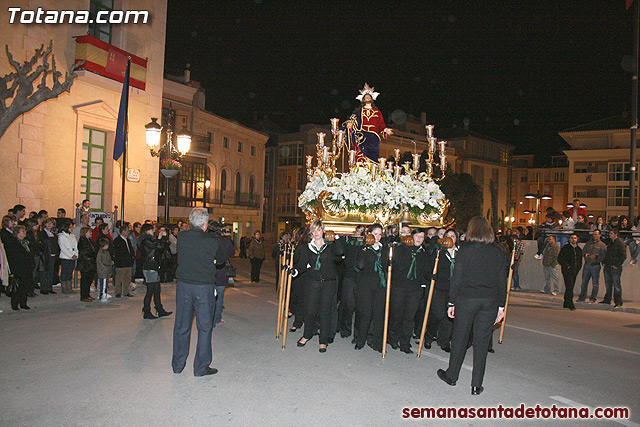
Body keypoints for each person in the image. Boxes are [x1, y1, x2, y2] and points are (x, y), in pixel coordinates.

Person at [436, 217, 507, 395]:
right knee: (481, 343)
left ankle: (452, 376)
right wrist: (501, 306)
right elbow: (501, 281)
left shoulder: (465, 250)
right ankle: (476, 384)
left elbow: (457, 278)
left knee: (460, 338)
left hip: (466, 299)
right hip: (489, 301)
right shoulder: (497, 252)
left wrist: (451, 301)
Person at [172, 208, 229, 377]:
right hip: (203, 287)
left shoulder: (182, 237)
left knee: (181, 326)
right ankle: (201, 367)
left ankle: (177, 364)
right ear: (205, 223)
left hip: (184, 286)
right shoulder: (211, 240)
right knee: (204, 327)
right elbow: (220, 260)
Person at [292, 220, 344, 353]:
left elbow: (340, 252)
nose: (316, 233)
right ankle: (306, 335)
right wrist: (294, 271)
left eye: (318, 230)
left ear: (323, 231)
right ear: (311, 233)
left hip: (329, 283)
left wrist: (336, 237)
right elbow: (302, 264)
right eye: (314, 230)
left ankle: (323, 340)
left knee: (325, 312)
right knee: (310, 310)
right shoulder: (307, 247)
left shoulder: (330, 246)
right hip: (312, 283)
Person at [388, 228, 429, 354]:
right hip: (399, 287)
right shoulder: (401, 249)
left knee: (409, 317)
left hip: (414, 290)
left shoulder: (423, 253)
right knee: (396, 314)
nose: (419, 239)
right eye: (417, 236)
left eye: (422, 237)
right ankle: (393, 338)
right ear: (412, 236)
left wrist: (431, 275)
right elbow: (395, 266)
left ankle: (405, 342)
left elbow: (425, 271)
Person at [354, 223, 387, 352]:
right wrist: (366, 247)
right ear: (369, 235)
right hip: (366, 285)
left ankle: (377, 342)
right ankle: (361, 340)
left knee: (379, 314)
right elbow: (360, 265)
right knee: (366, 314)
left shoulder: (385, 249)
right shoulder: (363, 249)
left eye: (379, 234)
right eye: (374, 234)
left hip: (380, 285)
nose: (377, 237)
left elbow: (389, 266)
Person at [424, 228, 458, 352]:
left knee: (449, 315)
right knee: (438, 314)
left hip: (453, 289)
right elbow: (428, 268)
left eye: (453, 236)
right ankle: (429, 335)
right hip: (439, 288)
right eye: (447, 236)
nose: (450, 239)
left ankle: (444, 340)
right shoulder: (438, 253)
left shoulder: (460, 254)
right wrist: (432, 275)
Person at [344, 83, 393, 162]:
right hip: (361, 134)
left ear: (372, 99)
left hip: (373, 136)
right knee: (359, 154)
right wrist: (350, 124)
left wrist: (385, 130)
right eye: (365, 97)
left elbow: (381, 124)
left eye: (368, 97)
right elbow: (352, 119)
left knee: (373, 157)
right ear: (362, 100)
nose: (367, 98)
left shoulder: (377, 112)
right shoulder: (358, 111)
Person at [138, 223, 172, 319]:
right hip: (150, 267)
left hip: (153, 266)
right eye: (152, 229)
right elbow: (159, 248)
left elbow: (156, 246)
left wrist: (160, 238)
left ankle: (159, 309)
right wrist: (163, 239)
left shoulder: (149, 240)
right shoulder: (146, 240)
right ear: (147, 231)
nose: (154, 231)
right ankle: (146, 311)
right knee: (150, 290)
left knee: (157, 290)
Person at [338, 224, 365, 339]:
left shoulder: (366, 243)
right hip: (349, 275)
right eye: (358, 231)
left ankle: (358, 334)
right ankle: (344, 328)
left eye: (362, 231)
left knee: (360, 306)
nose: (359, 233)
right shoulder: (349, 241)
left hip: (362, 277)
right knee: (348, 304)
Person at [208, 221, 235, 326]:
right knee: (219, 297)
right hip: (221, 271)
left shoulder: (206, 239)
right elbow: (231, 252)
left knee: (208, 296)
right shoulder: (223, 240)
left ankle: (209, 319)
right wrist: (228, 238)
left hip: (208, 272)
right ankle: (217, 318)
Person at [4, 225, 35, 310]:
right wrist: (12, 271)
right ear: (17, 233)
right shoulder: (13, 244)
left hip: (26, 268)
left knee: (25, 286)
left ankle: (23, 303)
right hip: (18, 268)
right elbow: (11, 258)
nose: (25, 233)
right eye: (23, 231)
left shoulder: (26, 242)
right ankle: (15, 304)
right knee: (17, 287)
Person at [577, 229, 606, 303]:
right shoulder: (589, 243)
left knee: (595, 283)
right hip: (587, 264)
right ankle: (582, 297)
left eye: (596, 234)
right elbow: (583, 251)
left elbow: (604, 256)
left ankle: (593, 298)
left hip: (595, 265)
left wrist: (596, 257)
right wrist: (586, 255)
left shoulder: (602, 245)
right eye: (594, 234)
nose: (595, 236)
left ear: (600, 235)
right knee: (584, 282)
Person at [600, 228, 627, 308]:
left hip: (615, 267)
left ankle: (618, 301)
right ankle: (607, 300)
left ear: (616, 234)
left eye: (611, 233)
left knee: (616, 285)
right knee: (608, 285)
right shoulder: (610, 243)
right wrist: (604, 262)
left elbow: (623, 256)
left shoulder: (620, 244)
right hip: (608, 265)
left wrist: (617, 265)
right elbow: (606, 254)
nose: (609, 235)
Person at [557, 234, 582, 311]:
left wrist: (578, 268)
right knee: (569, 286)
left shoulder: (578, 249)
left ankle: (566, 302)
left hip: (575, 270)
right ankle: (570, 302)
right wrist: (567, 266)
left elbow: (579, 260)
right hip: (567, 271)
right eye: (572, 238)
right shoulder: (566, 248)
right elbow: (560, 258)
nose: (573, 239)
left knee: (570, 286)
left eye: (575, 238)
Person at [113, 223, 135, 298]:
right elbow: (117, 252)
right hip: (120, 263)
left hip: (128, 263)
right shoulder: (117, 240)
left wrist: (132, 257)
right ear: (123, 231)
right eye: (127, 231)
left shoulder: (128, 240)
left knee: (127, 279)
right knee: (119, 279)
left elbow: (131, 250)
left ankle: (126, 292)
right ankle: (118, 292)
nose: (128, 232)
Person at [77, 226, 97, 302]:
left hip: (91, 263)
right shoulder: (82, 241)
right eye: (89, 232)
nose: (91, 233)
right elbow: (84, 253)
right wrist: (91, 256)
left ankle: (87, 295)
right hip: (85, 264)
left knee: (89, 280)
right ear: (85, 233)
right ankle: (83, 296)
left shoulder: (90, 241)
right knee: (85, 280)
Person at [57, 221, 78, 294]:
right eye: (70, 227)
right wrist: (71, 255)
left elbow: (75, 246)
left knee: (70, 272)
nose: (72, 228)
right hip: (65, 257)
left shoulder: (72, 236)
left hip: (72, 257)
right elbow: (63, 248)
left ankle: (69, 287)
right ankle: (64, 288)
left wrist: (75, 254)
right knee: (64, 272)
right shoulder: (61, 236)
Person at [96, 237, 113, 302]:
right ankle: (103, 297)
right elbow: (105, 261)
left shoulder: (104, 252)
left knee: (104, 284)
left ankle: (104, 294)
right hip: (103, 271)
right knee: (103, 285)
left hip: (105, 271)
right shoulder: (102, 253)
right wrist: (111, 262)